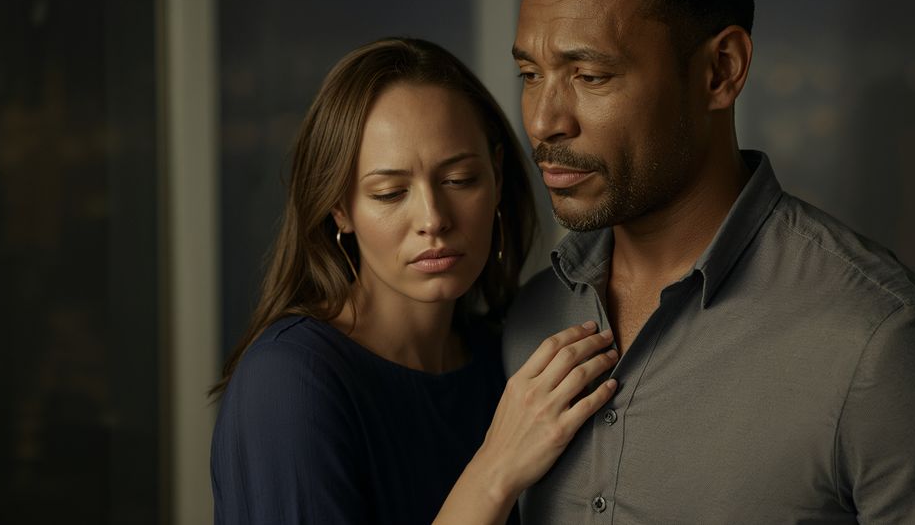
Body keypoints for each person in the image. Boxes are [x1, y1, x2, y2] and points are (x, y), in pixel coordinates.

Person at [502, 0, 915, 523]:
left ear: (721, 70)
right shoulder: (527, 321)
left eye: (590, 76)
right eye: (530, 75)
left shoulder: (885, 350)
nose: (543, 121)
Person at [209, 37, 619, 524]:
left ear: (496, 175)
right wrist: (494, 472)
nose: (433, 219)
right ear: (340, 209)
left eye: (459, 180)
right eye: (389, 193)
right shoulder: (287, 383)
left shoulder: (508, 356)